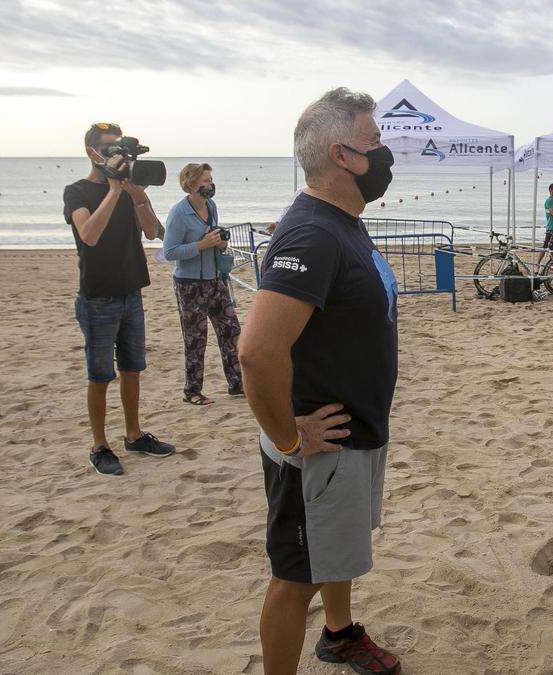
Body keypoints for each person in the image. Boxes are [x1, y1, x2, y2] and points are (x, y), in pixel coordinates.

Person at [238, 87, 401, 675]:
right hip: (316, 445)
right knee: (295, 575)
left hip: (351, 434)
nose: (384, 154)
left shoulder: (342, 221)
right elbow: (256, 353)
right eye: (375, 142)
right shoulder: (312, 233)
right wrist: (287, 438)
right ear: (341, 155)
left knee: (337, 549)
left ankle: (339, 633)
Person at [63, 122, 175, 476]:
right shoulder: (77, 192)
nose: (116, 155)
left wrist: (136, 193)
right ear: (92, 152)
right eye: (109, 148)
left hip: (131, 291)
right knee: (100, 375)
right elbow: (89, 234)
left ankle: (133, 434)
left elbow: (153, 232)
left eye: (119, 149)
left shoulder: (129, 190)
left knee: (132, 369)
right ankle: (99, 445)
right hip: (97, 297)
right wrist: (113, 190)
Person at [163, 163, 244, 404]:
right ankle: (192, 391)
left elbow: (213, 237)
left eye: (211, 180)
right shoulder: (179, 213)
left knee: (231, 332)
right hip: (189, 284)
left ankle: (237, 384)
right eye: (205, 181)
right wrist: (201, 245)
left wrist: (219, 244)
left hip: (215, 279)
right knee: (196, 339)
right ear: (190, 185)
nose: (210, 185)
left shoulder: (211, 206)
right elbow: (169, 251)